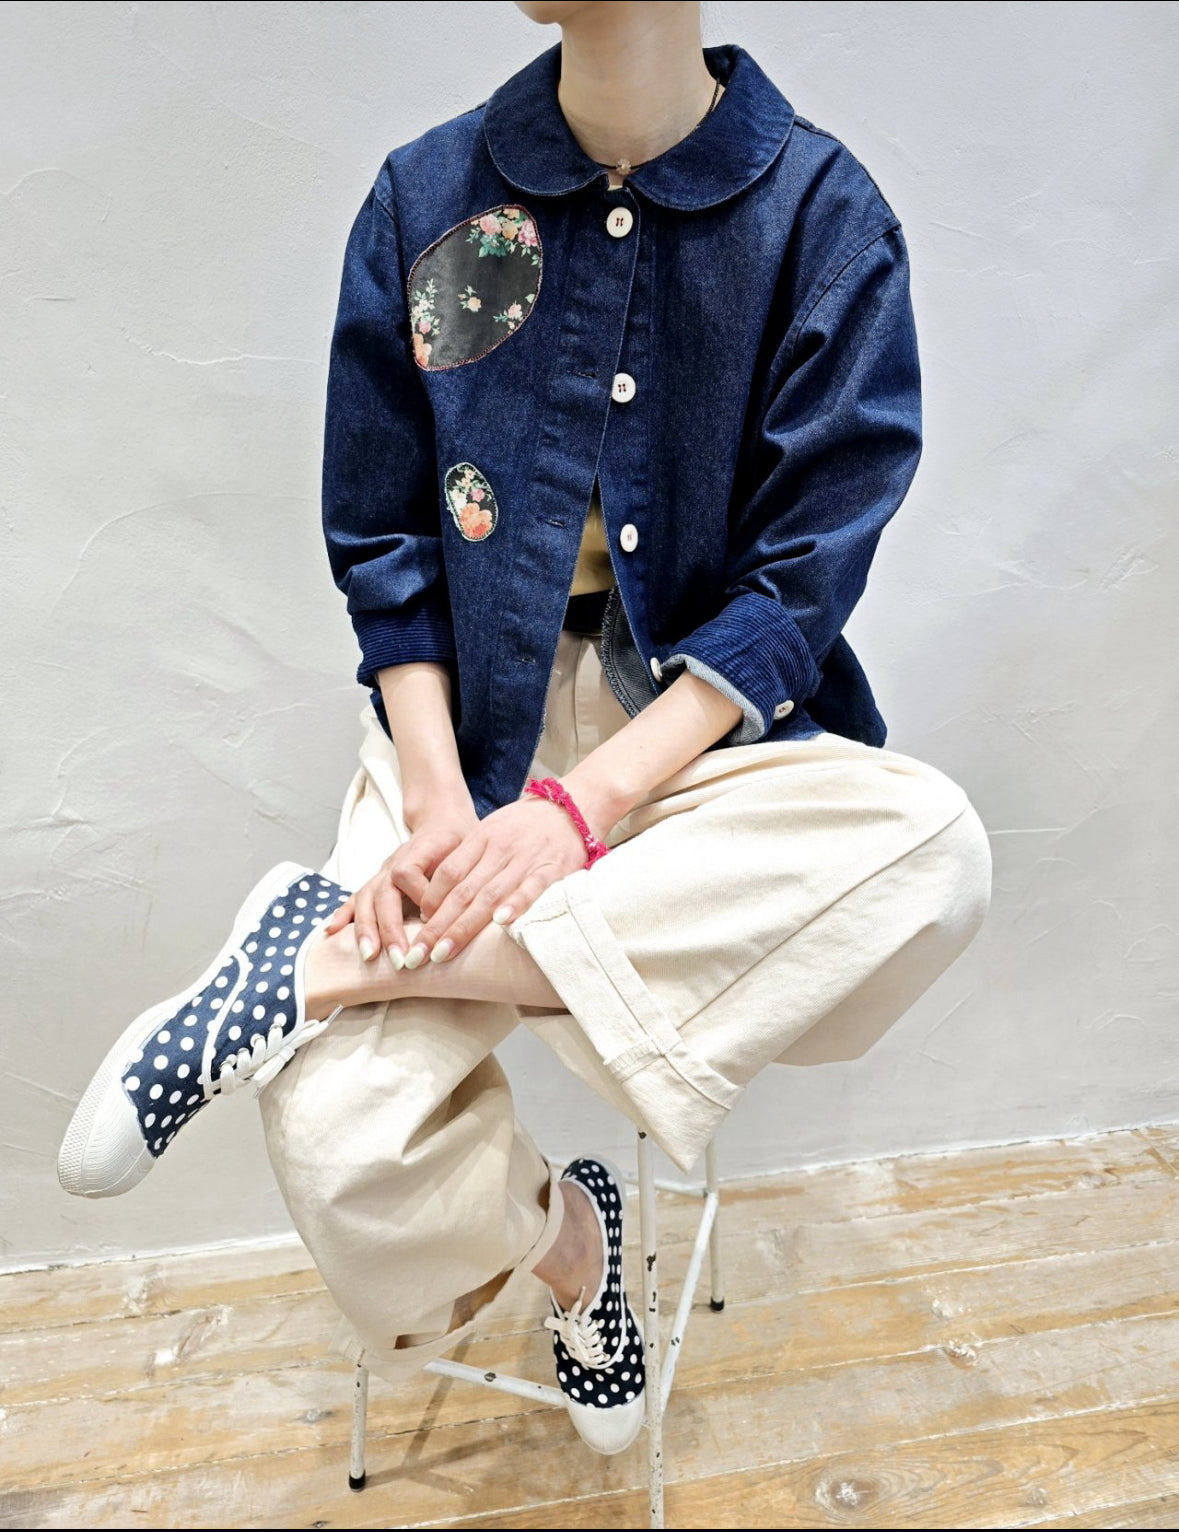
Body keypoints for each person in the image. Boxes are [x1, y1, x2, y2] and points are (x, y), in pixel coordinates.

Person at [58, 0, 993, 1459]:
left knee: (935, 852)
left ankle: (317, 960)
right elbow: (384, 539)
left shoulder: (823, 216)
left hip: (681, 754)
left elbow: (799, 588)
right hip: (462, 732)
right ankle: (577, 1248)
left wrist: (579, 811)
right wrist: (441, 803)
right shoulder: (426, 196)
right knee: (339, 1141)